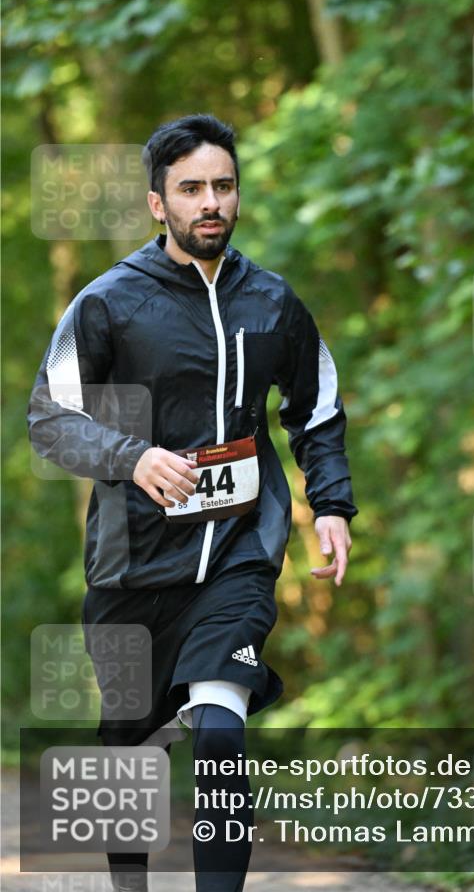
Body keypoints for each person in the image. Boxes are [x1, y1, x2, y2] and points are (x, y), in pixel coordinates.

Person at [28, 113, 357, 891]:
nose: (211, 202)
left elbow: (315, 409)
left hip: (237, 554)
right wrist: (132, 456)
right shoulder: (107, 303)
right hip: (132, 564)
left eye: (223, 186)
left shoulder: (273, 303)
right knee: (125, 753)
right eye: (191, 189)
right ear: (157, 203)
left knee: (218, 730)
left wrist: (333, 505)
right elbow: (49, 418)